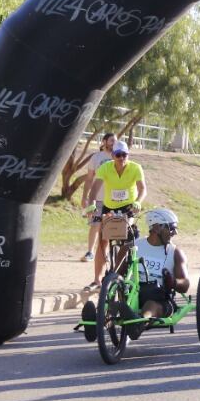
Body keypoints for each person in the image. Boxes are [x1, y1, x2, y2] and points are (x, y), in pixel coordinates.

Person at [124, 208, 190, 339]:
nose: (175, 232)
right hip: (132, 296)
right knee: (119, 296)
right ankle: (100, 317)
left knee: (150, 305)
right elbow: (117, 276)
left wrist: (173, 282)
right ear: (156, 228)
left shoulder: (175, 253)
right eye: (171, 228)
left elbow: (185, 284)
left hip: (160, 299)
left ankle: (139, 323)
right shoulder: (131, 247)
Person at [91, 140, 146, 285]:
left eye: (124, 155)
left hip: (129, 206)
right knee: (103, 240)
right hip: (109, 207)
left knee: (127, 234)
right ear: (113, 156)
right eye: (118, 155)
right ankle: (97, 280)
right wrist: (91, 204)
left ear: (128, 155)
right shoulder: (105, 167)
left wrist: (138, 201)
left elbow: (142, 189)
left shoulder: (136, 168)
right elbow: (95, 188)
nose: (121, 158)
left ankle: (121, 270)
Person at [79, 132, 117, 263]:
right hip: (97, 198)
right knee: (95, 225)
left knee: (109, 228)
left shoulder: (118, 157)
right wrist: (85, 197)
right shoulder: (96, 157)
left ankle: (105, 254)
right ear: (104, 142)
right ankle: (90, 252)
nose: (114, 143)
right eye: (111, 140)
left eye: (115, 141)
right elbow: (89, 179)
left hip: (113, 200)